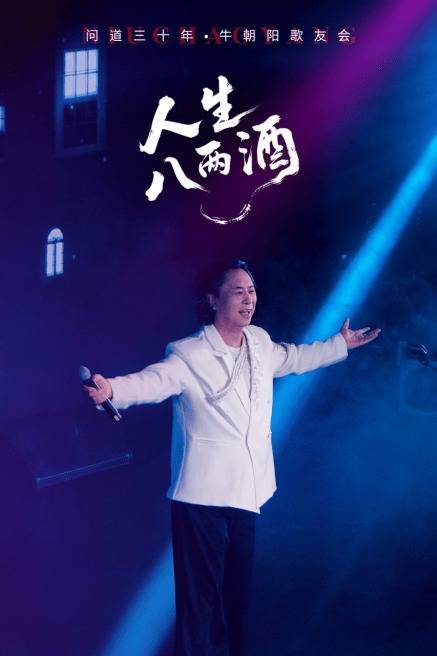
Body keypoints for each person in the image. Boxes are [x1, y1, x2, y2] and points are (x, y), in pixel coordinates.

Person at [84, 259, 380, 656]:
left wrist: (339, 344)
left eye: (252, 290)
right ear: (213, 300)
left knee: (236, 598)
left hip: (247, 490)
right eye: (238, 291)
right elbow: (152, 381)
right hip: (202, 496)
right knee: (199, 602)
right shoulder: (189, 353)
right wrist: (112, 390)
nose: (249, 299)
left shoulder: (258, 341)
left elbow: (293, 358)